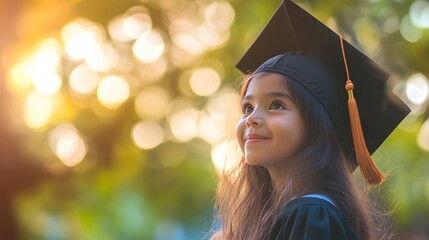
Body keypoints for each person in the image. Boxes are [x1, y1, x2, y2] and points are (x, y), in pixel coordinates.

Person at [211, 0, 410, 239]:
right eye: (247, 107)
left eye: (276, 105)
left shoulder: (311, 215)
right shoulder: (288, 214)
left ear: (316, 124)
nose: (252, 118)